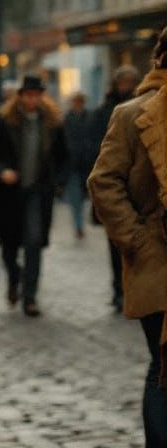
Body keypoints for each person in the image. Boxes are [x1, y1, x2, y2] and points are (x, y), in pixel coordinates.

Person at [88, 27, 167, 448]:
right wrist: (137, 238)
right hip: (157, 259)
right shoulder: (132, 114)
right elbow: (105, 182)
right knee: (163, 368)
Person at [0, 75, 67, 317]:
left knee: (34, 243)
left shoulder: (52, 122)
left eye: (37, 94)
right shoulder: (2, 120)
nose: (33, 99)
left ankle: (30, 297)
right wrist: (2, 171)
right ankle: (14, 278)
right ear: (20, 96)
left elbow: (63, 157)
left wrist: (57, 182)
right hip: (9, 195)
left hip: (38, 194)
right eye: (28, 94)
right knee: (8, 246)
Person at [89, 65, 141, 311]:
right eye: (123, 82)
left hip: (140, 187)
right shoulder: (107, 111)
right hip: (118, 183)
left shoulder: (145, 105)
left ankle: (133, 289)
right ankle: (119, 288)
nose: (126, 87)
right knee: (117, 240)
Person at [62, 92, 92, 239]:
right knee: (75, 199)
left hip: (87, 165)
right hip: (72, 165)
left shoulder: (90, 117)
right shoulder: (66, 119)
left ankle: (80, 223)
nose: (77, 104)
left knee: (84, 197)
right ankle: (78, 224)